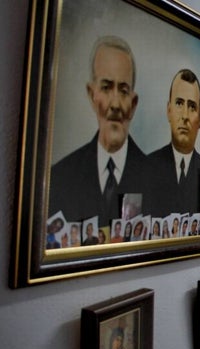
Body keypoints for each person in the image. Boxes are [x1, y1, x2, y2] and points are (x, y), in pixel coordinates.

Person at [48, 35, 149, 224]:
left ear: (133, 104)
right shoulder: (60, 178)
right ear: (91, 94)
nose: (115, 104)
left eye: (124, 90)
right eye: (106, 87)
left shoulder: (156, 179)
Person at [147, 69, 200, 217]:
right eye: (179, 103)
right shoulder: (146, 168)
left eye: (192, 107)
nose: (184, 115)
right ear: (168, 110)